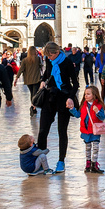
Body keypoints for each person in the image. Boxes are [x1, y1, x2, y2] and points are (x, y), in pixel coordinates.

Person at [38, 41, 79, 174]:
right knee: (43, 130)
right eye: (47, 56)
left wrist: (70, 97)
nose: (49, 58)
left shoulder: (67, 62)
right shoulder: (49, 61)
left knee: (62, 130)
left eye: (50, 55)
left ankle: (61, 161)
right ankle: (41, 161)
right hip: (50, 97)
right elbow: (47, 74)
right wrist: (42, 81)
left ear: (56, 52)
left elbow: (75, 84)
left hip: (63, 98)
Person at [80, 85, 105, 174]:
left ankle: (94, 164)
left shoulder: (99, 105)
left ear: (94, 95)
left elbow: (102, 117)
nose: (86, 96)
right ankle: (88, 164)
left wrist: (97, 111)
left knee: (95, 148)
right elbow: (78, 114)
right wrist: (72, 109)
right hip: (86, 131)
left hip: (95, 131)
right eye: (85, 94)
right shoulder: (83, 105)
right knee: (87, 148)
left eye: (88, 94)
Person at [16, 45, 43, 115]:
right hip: (36, 79)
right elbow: (41, 67)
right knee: (35, 94)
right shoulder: (38, 59)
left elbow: (21, 69)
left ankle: (33, 108)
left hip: (28, 80)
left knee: (32, 93)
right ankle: (32, 107)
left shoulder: (25, 60)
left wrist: (16, 78)